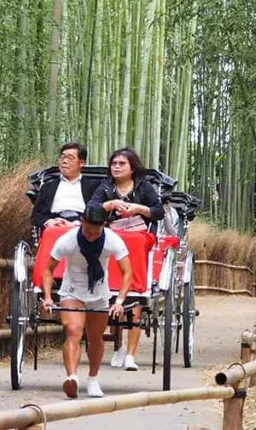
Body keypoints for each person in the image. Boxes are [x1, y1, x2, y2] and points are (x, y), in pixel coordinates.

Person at [42, 203, 132, 398]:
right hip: (72, 290)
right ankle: (72, 377)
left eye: (95, 232)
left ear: (103, 226)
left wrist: (119, 301)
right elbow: (48, 269)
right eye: (88, 231)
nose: (91, 235)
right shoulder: (68, 240)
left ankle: (93, 379)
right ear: (82, 221)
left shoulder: (112, 240)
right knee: (73, 330)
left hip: (99, 291)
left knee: (95, 337)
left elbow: (127, 272)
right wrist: (48, 297)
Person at [87, 147, 164, 371]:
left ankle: (130, 354)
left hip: (139, 235)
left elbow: (159, 212)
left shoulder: (144, 187)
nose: (117, 167)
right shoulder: (105, 187)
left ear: (132, 168)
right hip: (113, 232)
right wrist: (110, 205)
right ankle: (119, 346)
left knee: (134, 242)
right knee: (106, 242)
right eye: (114, 163)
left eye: (122, 164)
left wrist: (140, 208)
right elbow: (91, 208)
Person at [30, 142, 101, 231]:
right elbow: (36, 215)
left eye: (70, 158)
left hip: (83, 228)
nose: (64, 161)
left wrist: (77, 224)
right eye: (62, 157)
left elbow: (99, 213)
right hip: (54, 226)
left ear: (81, 163)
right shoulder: (48, 186)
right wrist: (48, 222)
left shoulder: (94, 186)